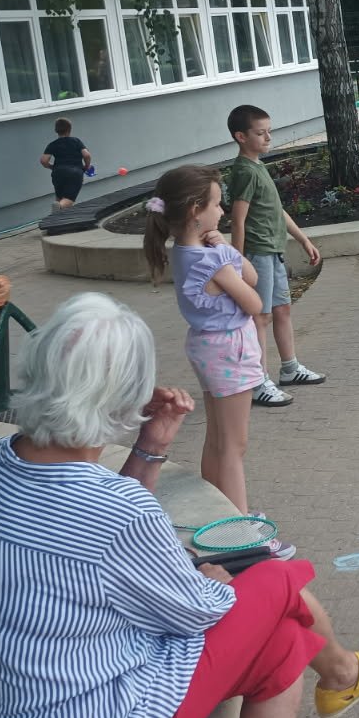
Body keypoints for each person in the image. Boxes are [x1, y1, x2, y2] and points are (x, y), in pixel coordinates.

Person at [0, 293, 359, 718]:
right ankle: (344, 673)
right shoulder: (116, 511)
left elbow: (96, 535)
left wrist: (151, 446)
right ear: (124, 395)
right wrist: (212, 581)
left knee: (283, 645)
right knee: (276, 578)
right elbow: (197, 612)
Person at [143, 165, 290, 554]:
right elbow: (255, 300)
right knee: (233, 447)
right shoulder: (212, 262)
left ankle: (216, 515)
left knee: (218, 440)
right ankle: (243, 535)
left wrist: (222, 246)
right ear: (196, 210)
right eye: (217, 204)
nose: (222, 211)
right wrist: (224, 254)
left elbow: (249, 278)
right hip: (229, 351)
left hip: (209, 349)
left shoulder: (185, 251)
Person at [225, 105, 327, 407]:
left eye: (269, 131)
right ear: (241, 137)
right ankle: (258, 382)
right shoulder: (244, 171)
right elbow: (238, 221)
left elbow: (276, 210)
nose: (268, 137)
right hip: (257, 255)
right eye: (261, 133)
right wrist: (238, 263)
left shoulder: (257, 166)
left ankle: (290, 368)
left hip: (273, 253)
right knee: (260, 318)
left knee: (282, 311)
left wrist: (303, 240)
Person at [41, 117, 93, 208]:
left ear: (56, 130)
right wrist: (86, 166)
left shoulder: (53, 144)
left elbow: (44, 160)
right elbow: (87, 155)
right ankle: (60, 206)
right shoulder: (76, 141)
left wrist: (51, 167)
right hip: (74, 172)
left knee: (60, 197)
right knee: (69, 199)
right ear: (70, 129)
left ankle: (58, 212)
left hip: (58, 173)